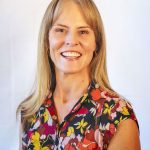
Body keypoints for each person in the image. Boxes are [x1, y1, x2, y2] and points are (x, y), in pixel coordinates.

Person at [17, 0, 141, 149]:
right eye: (61, 30)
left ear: (97, 43)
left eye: (83, 32)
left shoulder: (118, 116)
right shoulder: (30, 112)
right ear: (46, 40)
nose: (71, 41)